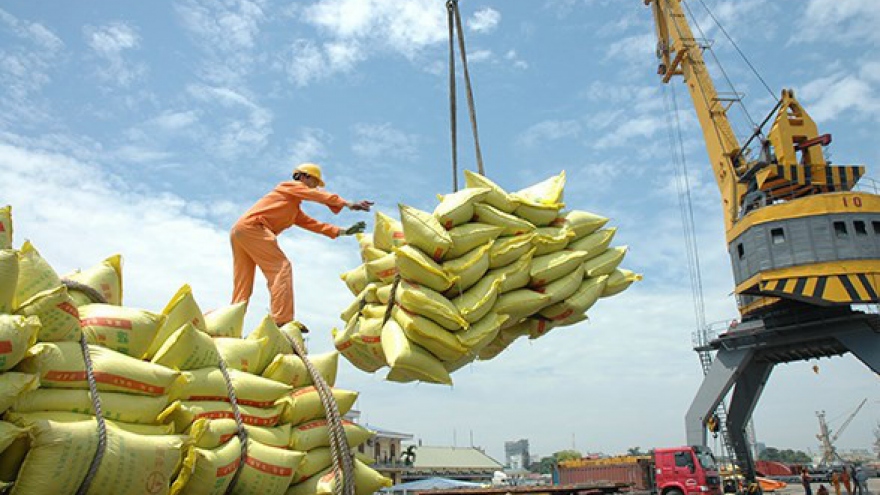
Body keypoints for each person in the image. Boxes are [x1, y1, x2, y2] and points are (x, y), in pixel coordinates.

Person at [230, 163, 373, 327]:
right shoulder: (288, 186)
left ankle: (230, 322)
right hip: (253, 228)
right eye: (315, 182)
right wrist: (347, 204)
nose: (316, 187)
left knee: (243, 283)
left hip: (240, 231)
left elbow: (314, 224)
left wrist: (344, 231)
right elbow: (314, 195)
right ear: (304, 176)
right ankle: (282, 320)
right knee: (281, 268)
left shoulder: (292, 208)